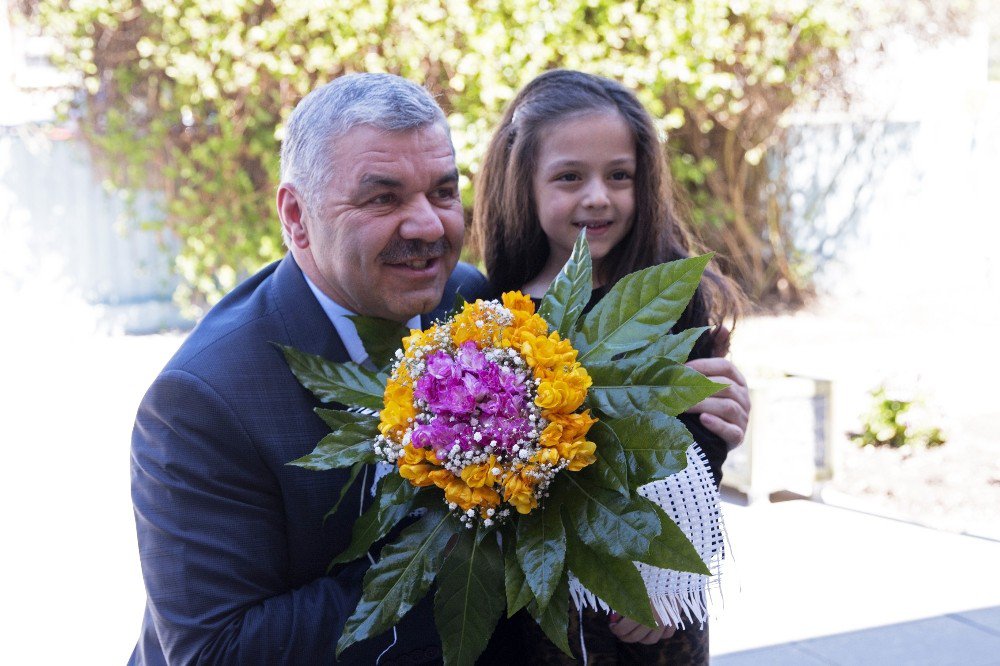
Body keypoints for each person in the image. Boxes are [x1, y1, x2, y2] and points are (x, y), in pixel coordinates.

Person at [129, 73, 489, 665]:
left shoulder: (471, 305)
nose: (429, 226)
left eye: (444, 193)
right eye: (383, 198)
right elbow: (216, 651)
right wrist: (458, 561)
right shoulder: (202, 401)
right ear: (296, 217)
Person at [472, 69, 751, 664]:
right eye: (570, 176)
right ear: (523, 183)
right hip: (549, 600)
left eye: (619, 176)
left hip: (659, 596)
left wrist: (654, 576)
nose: (598, 196)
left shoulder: (670, 297)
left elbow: (698, 438)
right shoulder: (500, 315)